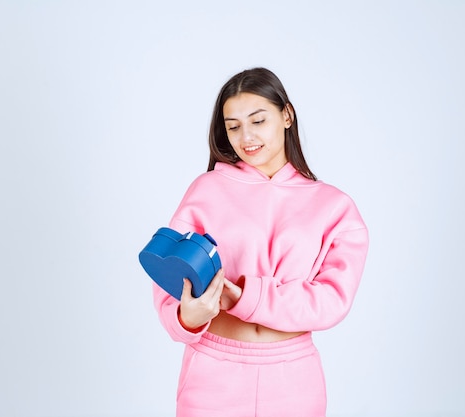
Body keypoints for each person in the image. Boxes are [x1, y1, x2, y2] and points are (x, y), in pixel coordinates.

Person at [152, 67, 369, 417]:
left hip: (293, 382)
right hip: (212, 376)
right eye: (233, 126)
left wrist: (246, 296)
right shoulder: (206, 190)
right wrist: (187, 316)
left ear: (286, 115)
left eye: (257, 120)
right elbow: (169, 284)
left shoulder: (335, 207)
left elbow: (331, 300)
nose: (246, 137)